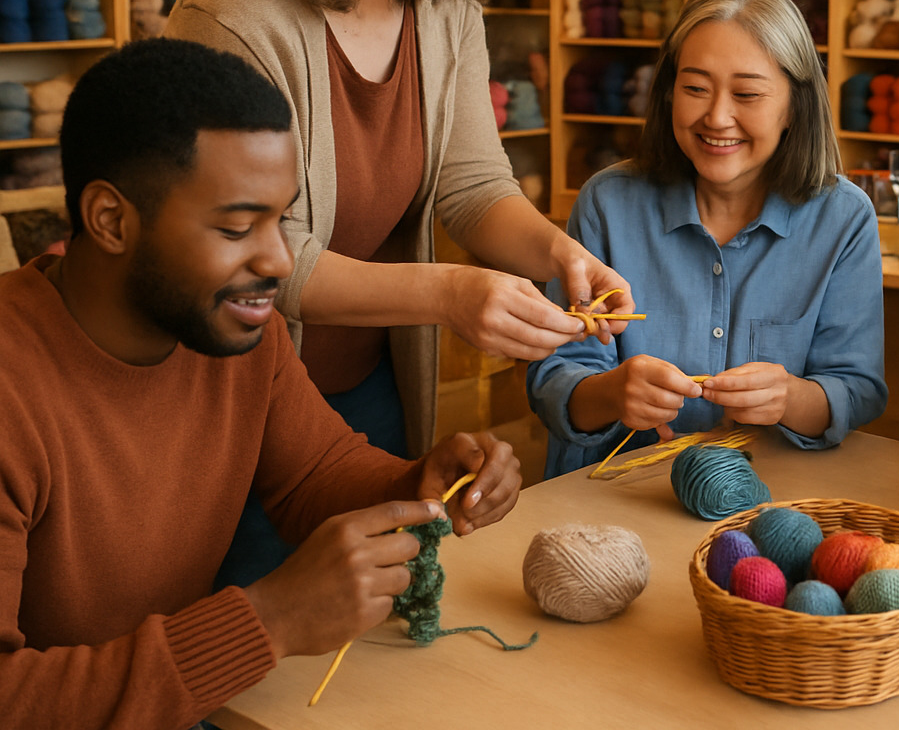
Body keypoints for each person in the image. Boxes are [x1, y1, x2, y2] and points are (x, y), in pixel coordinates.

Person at [163, 0, 626, 583]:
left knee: (377, 630)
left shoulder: (446, 7)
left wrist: (563, 256)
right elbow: (254, 261)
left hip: (367, 383)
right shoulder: (233, 15)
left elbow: (473, 184)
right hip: (230, 397)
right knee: (250, 637)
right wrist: (449, 293)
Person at [0, 39, 521, 729]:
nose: (278, 260)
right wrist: (267, 622)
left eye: (281, 220)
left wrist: (420, 484)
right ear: (110, 220)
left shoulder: (236, 333)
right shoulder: (14, 387)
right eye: (238, 226)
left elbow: (314, 473)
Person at [526, 0, 887, 478]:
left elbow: (858, 389)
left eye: (747, 94)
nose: (717, 117)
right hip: (609, 496)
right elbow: (552, 383)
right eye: (695, 88)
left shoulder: (843, 218)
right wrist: (614, 392)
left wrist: (790, 397)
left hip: (766, 498)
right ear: (669, 90)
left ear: (794, 106)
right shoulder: (607, 203)